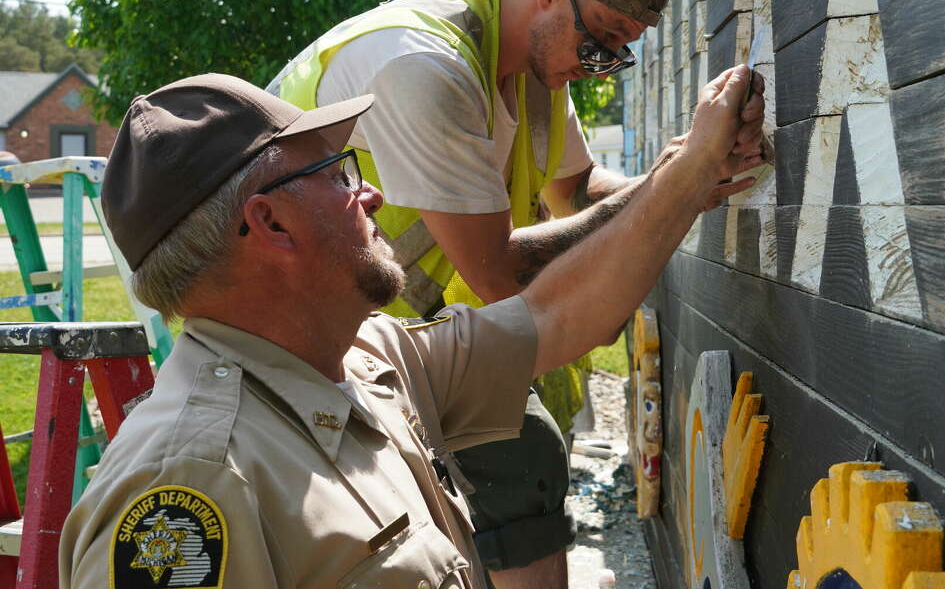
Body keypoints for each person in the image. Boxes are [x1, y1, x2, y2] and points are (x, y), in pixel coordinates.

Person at [58, 67, 763, 588]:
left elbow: (554, 316)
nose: (371, 193)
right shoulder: (189, 486)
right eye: (338, 173)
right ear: (270, 223)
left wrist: (690, 170)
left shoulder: (364, 359)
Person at [266, 0, 758, 586]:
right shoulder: (422, 68)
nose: (602, 65)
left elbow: (580, 193)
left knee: (520, 461)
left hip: (390, 323)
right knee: (506, 463)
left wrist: (690, 173)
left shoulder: (530, 65)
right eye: (600, 42)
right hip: (293, 334)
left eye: (621, 51)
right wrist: (676, 180)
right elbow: (499, 275)